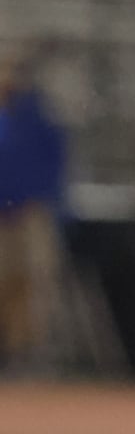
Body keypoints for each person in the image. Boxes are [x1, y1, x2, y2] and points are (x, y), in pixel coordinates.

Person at [0, 42, 67, 370]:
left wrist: (43, 199)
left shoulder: (36, 116)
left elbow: (54, 162)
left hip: (27, 212)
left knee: (30, 281)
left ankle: (25, 350)